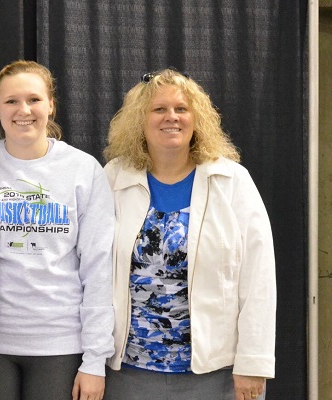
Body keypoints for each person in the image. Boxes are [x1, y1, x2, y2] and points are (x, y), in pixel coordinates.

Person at [102, 69, 276, 400]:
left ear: (196, 119)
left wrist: (253, 361)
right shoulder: (114, 178)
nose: (172, 117)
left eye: (181, 109)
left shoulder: (231, 181)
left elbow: (259, 279)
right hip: (130, 373)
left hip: (216, 373)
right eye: (159, 109)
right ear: (140, 120)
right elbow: (93, 272)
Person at [0, 60, 115, 400]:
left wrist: (95, 360)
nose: (23, 110)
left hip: (60, 343)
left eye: (34, 100)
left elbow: (99, 268)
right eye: (11, 101)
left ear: (51, 105)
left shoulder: (83, 169)